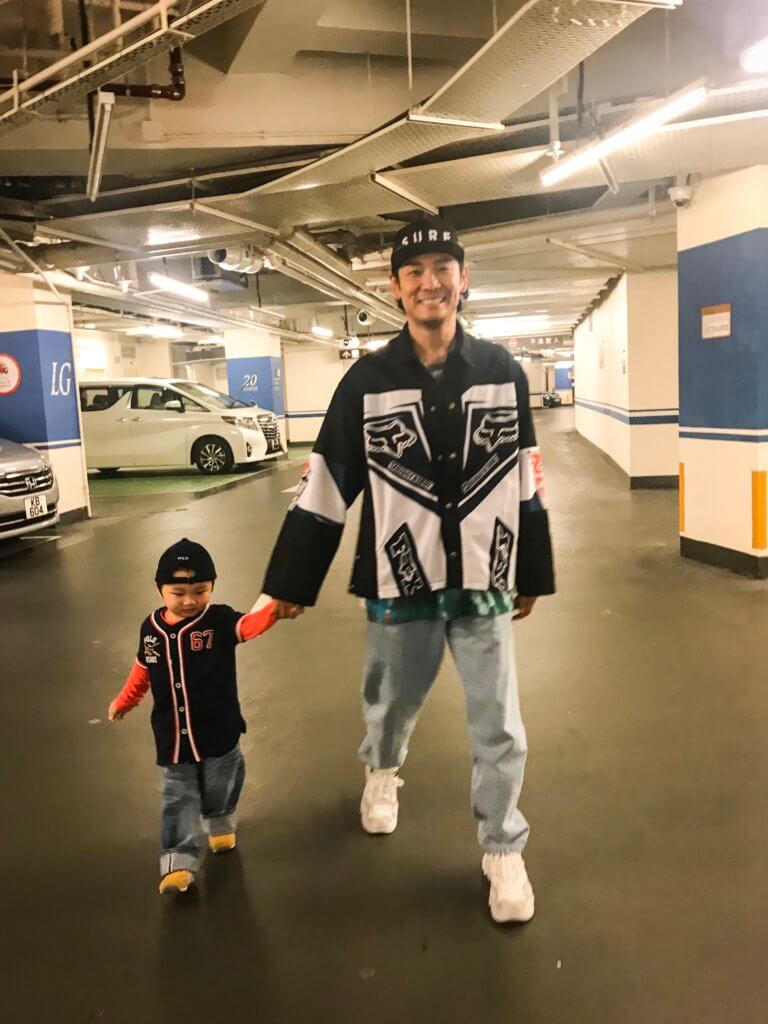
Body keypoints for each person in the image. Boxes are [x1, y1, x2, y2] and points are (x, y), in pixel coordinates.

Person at [263, 215, 555, 924]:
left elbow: (524, 475)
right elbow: (328, 480)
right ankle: (382, 771)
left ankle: (502, 848)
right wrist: (291, 582)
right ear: (395, 288)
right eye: (415, 271)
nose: (431, 282)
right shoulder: (365, 381)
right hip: (401, 582)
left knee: (500, 725)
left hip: (485, 578)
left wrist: (533, 569)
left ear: (463, 279)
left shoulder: (501, 372)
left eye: (443, 268)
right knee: (391, 704)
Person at [108, 537, 293, 896]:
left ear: (212, 587)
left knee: (220, 783)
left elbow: (249, 626)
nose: (190, 600)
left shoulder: (220, 620)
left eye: (200, 590)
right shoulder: (150, 631)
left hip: (219, 730)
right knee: (178, 795)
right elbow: (142, 670)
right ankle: (178, 859)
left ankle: (221, 821)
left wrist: (274, 611)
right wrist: (124, 701)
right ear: (160, 589)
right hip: (172, 735)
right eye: (178, 592)